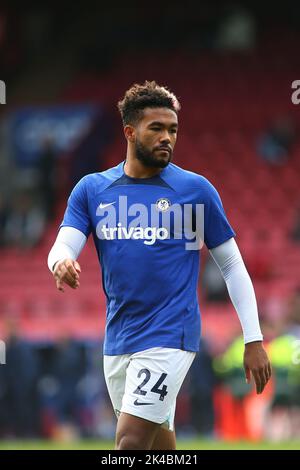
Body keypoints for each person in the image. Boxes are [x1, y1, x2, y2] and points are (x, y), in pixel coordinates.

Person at [48, 81, 271, 450]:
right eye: (157, 128)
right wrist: (60, 262)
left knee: (129, 445)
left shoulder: (194, 191)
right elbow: (63, 243)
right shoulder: (92, 190)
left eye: (173, 129)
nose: (167, 137)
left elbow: (232, 266)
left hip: (171, 334)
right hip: (119, 338)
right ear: (130, 132)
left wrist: (254, 339)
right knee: (159, 447)